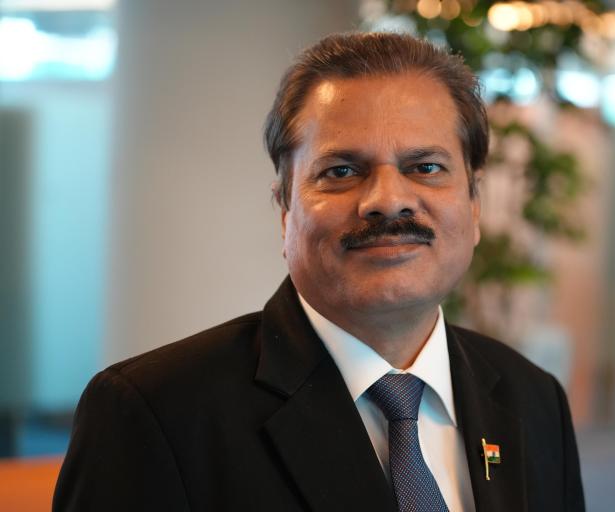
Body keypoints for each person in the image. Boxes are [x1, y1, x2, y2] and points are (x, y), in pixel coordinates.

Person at [54, 32, 584, 512]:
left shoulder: (532, 397)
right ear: (286, 210)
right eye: (342, 171)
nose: (388, 201)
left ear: (473, 205)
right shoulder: (154, 413)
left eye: (425, 167)